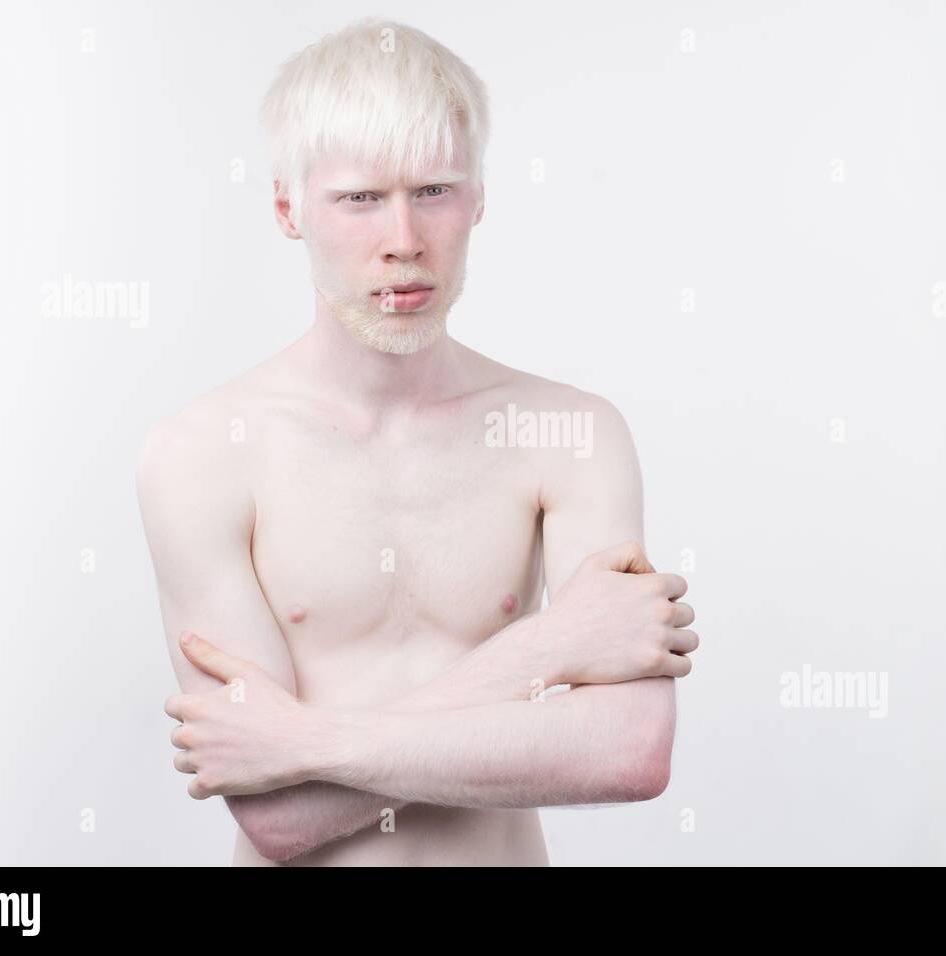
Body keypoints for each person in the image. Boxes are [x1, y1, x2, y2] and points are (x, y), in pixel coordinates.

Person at [136, 16, 698, 866]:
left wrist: (306, 742)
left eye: (434, 190)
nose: (404, 240)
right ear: (289, 209)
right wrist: (548, 650)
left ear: (478, 198)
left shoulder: (572, 435)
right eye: (360, 198)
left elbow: (627, 752)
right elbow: (277, 818)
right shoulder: (202, 457)